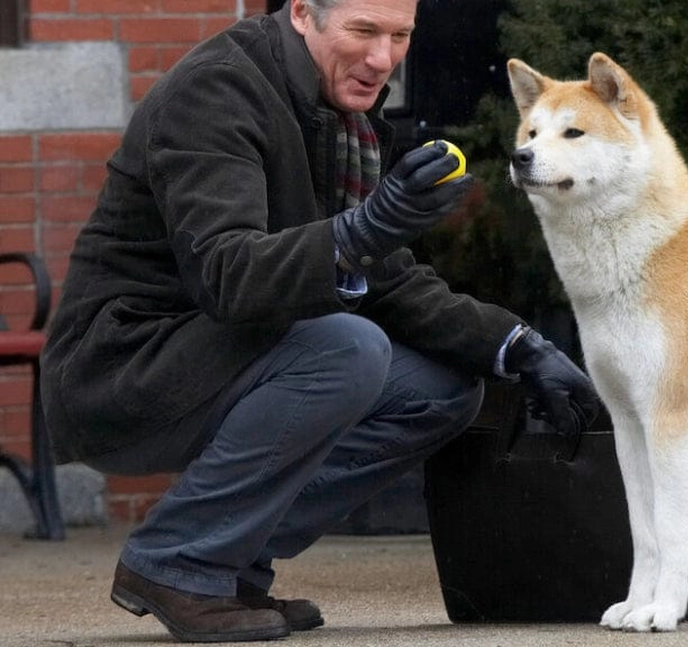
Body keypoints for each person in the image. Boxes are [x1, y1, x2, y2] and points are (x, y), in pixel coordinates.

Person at [39, 0, 599, 642]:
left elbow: (385, 277)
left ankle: (231, 563)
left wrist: (516, 346)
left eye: (400, 35)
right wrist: (361, 230)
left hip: (219, 361)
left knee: (442, 390)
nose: (382, 58)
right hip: (123, 372)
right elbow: (228, 276)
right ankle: (179, 562)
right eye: (363, 31)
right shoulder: (217, 91)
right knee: (345, 346)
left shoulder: (339, 115)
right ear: (303, 13)